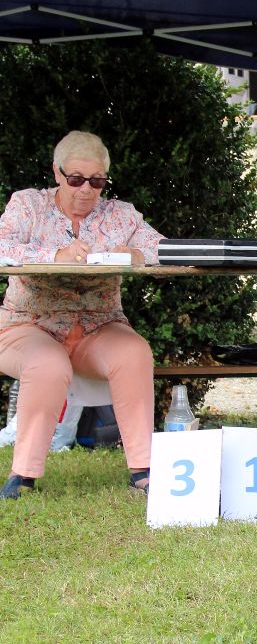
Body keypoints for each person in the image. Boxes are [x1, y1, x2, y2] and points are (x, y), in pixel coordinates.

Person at [0, 131, 163, 499]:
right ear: (57, 173)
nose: (86, 189)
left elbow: (163, 248)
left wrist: (137, 255)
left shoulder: (121, 214)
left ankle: (143, 469)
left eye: (97, 181)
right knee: (46, 363)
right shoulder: (27, 206)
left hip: (98, 326)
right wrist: (55, 254)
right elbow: (2, 244)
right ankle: (23, 475)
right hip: (28, 324)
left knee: (134, 352)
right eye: (75, 179)